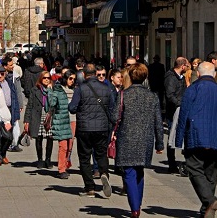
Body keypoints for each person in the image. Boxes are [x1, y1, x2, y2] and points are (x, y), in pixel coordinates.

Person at [176, 62, 217, 218]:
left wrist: (179, 140)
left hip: (197, 135)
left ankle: (209, 201)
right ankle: (206, 209)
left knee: (194, 168)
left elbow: (183, 115)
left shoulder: (192, 89)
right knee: (211, 173)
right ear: (214, 75)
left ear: (198, 74)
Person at [112, 63, 164, 218]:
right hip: (145, 139)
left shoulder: (123, 95)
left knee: (128, 172)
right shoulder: (152, 96)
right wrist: (160, 143)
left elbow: (115, 117)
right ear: (145, 77)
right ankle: (137, 205)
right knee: (139, 171)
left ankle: (135, 208)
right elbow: (158, 121)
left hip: (126, 137)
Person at [68, 63, 115, 198]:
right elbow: (112, 107)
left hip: (84, 128)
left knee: (84, 158)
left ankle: (89, 188)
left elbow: (72, 108)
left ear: (84, 74)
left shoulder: (80, 89)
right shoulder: (106, 88)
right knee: (101, 154)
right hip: (102, 128)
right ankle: (104, 173)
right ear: (96, 73)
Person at [47, 70, 76, 178]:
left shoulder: (76, 90)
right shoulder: (58, 90)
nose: (72, 81)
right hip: (61, 120)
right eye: (70, 78)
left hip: (73, 119)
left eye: (74, 79)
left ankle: (66, 164)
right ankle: (61, 169)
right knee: (63, 145)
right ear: (65, 78)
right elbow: (52, 103)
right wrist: (50, 91)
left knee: (70, 145)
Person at [24, 71, 54, 169]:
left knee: (50, 138)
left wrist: (50, 91)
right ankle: (40, 159)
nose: (46, 79)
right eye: (44, 78)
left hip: (49, 116)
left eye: (48, 78)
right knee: (39, 138)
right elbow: (30, 106)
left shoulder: (53, 90)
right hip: (38, 115)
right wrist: (26, 121)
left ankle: (48, 159)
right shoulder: (35, 90)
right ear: (41, 79)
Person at [0, 65, 20, 167]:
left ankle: (2, 153)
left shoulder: (10, 83)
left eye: (2, 74)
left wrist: (16, 113)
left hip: (8, 111)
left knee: (8, 137)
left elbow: (15, 98)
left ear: (5, 74)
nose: (0, 76)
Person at [164, 57, 187, 173]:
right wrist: (179, 104)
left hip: (180, 109)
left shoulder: (180, 77)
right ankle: (171, 164)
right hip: (173, 111)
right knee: (171, 136)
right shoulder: (171, 78)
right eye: (186, 66)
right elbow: (170, 95)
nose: (187, 68)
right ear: (182, 66)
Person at [2, 57, 25, 152]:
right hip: (2, 105)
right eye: (10, 65)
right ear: (4, 66)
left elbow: (18, 91)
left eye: (12, 65)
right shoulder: (0, 75)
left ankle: (14, 144)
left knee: (14, 123)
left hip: (13, 104)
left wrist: (20, 104)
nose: (12, 67)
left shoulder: (15, 76)